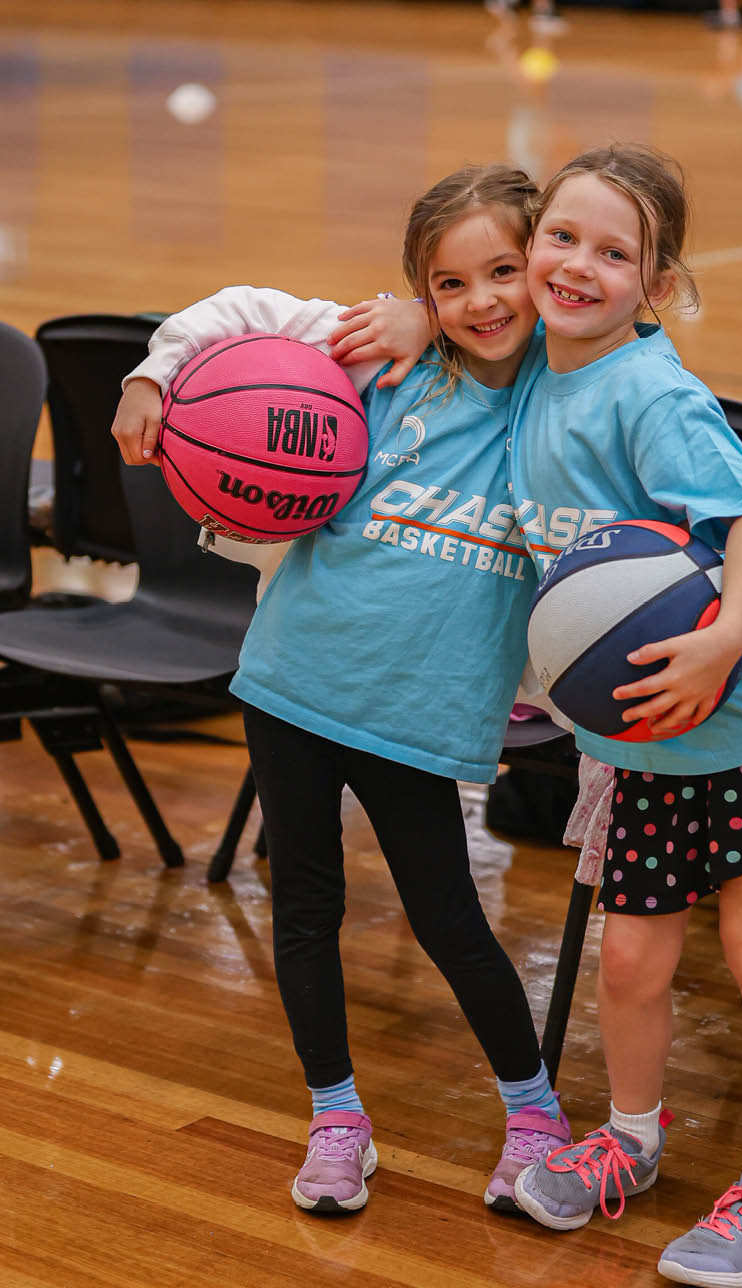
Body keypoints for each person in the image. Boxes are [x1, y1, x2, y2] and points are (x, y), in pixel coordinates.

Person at [110, 165, 572, 1217]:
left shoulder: (564, 392)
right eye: (448, 283)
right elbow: (237, 312)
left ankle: (536, 1112)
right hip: (293, 682)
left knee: (448, 918)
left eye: (504, 270)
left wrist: (442, 312)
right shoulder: (378, 352)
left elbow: (624, 340)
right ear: (418, 287)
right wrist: (153, 376)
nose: (481, 301)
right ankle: (336, 1116)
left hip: (422, 711)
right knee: (305, 905)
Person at [502, 144, 742, 1288]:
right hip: (644, 735)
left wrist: (722, 637)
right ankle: (632, 1136)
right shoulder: (529, 365)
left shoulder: (650, 393)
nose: (578, 266)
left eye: (614, 253)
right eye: (560, 238)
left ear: (657, 286)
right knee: (628, 958)